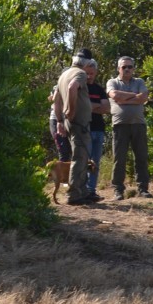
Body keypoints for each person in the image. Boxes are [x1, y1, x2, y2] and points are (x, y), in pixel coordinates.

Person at [53, 50, 94, 205]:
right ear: (87, 63)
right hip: (79, 123)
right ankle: (74, 194)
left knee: (80, 156)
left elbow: (56, 99)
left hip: (70, 122)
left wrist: (59, 120)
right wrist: (71, 110)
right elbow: (72, 88)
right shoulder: (80, 74)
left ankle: (83, 191)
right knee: (80, 157)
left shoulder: (64, 74)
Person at [107, 56, 151, 199]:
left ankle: (143, 189)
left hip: (139, 124)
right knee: (119, 159)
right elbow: (114, 95)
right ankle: (118, 190)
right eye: (124, 67)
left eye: (130, 67)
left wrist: (124, 99)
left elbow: (143, 98)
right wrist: (134, 96)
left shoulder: (139, 81)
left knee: (141, 157)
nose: (127, 69)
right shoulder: (112, 82)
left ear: (133, 68)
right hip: (120, 125)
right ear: (118, 68)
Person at [84, 58, 108, 199]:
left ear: (96, 73)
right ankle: (82, 190)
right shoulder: (81, 88)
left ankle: (91, 190)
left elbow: (106, 108)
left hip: (99, 128)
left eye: (91, 73)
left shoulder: (99, 89)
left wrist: (90, 106)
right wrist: (97, 105)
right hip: (85, 129)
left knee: (95, 162)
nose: (89, 76)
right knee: (83, 162)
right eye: (87, 73)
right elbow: (81, 107)